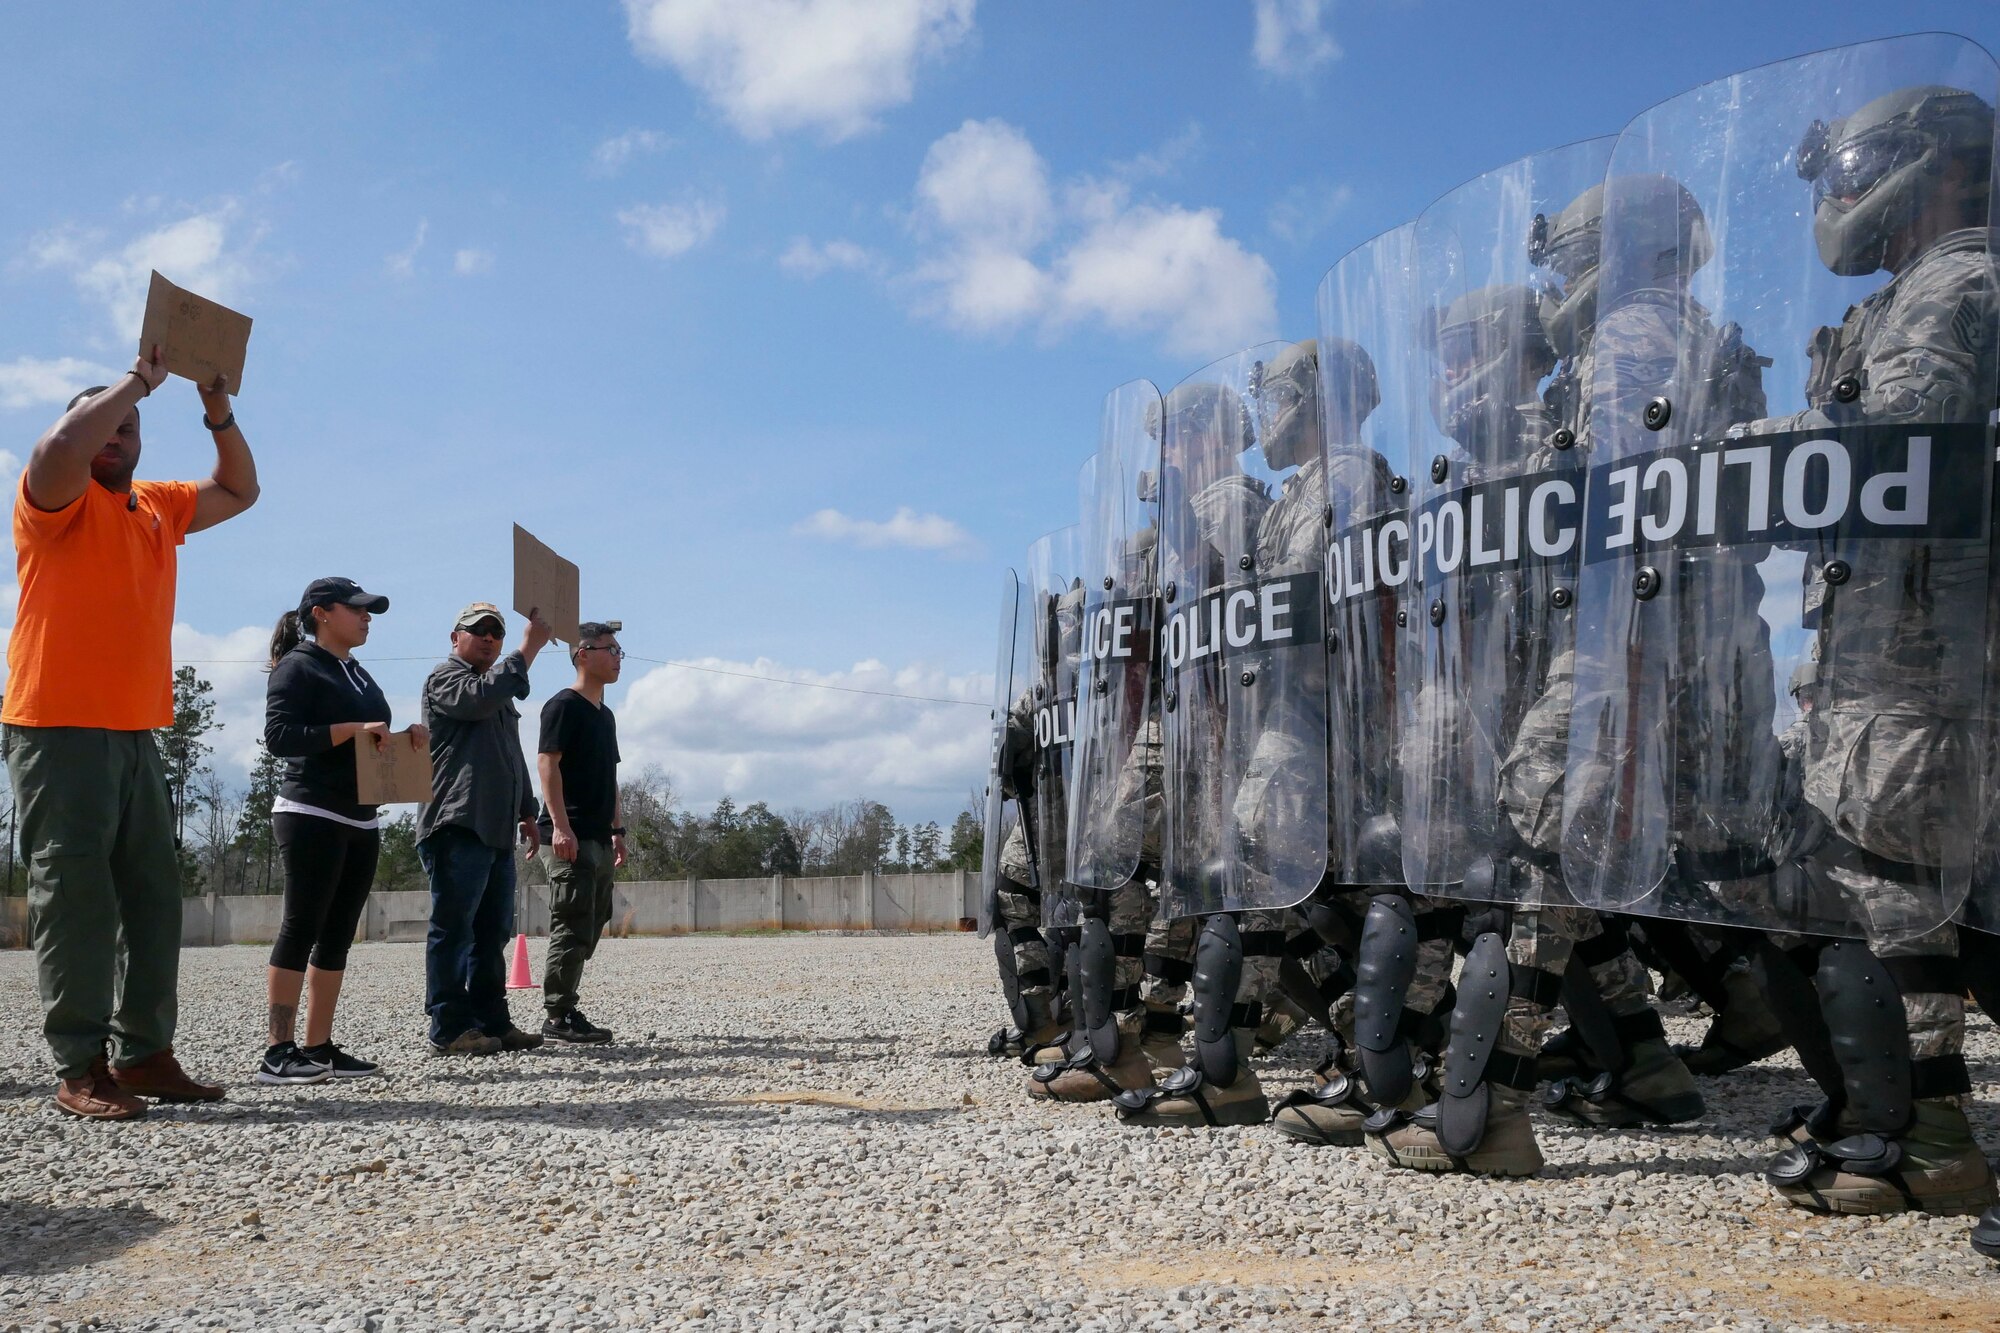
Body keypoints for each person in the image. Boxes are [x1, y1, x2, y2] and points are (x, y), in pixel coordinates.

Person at [3, 348, 257, 1119]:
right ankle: (79, 1066)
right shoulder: (52, 498)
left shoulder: (154, 505)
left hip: (135, 728)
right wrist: (137, 382)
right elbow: (56, 451)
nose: (116, 432)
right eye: (105, 420)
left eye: (129, 426)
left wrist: (217, 410)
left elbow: (241, 488)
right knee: (76, 896)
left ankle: (143, 1050)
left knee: (152, 896)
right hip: (57, 724)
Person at [258, 577, 418, 1084]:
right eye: (359, 609)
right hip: (310, 813)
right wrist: (352, 731)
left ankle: (318, 1046)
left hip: (360, 815)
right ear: (322, 613)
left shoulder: (359, 674)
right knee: (300, 927)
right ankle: (277, 1051)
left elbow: (368, 743)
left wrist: (402, 741)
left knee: (338, 936)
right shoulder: (297, 666)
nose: (368, 618)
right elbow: (279, 737)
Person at [419, 601, 553, 1056]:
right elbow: (475, 701)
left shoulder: (497, 694)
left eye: (497, 632)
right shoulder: (447, 678)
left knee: (492, 932)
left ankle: (492, 1021)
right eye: (479, 631)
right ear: (455, 638)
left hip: (495, 827)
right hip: (457, 823)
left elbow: (511, 757)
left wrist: (528, 811)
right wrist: (527, 649)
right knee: (454, 929)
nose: (491, 638)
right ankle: (449, 1026)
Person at [536, 620, 628, 1044]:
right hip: (565, 835)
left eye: (619, 651)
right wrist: (559, 827)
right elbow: (548, 765)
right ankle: (558, 1016)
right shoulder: (562, 706)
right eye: (610, 649)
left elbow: (610, 777)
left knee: (595, 919)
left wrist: (618, 829)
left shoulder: (604, 716)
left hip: (597, 835)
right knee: (572, 922)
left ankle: (565, 1004)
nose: (617, 658)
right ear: (583, 654)